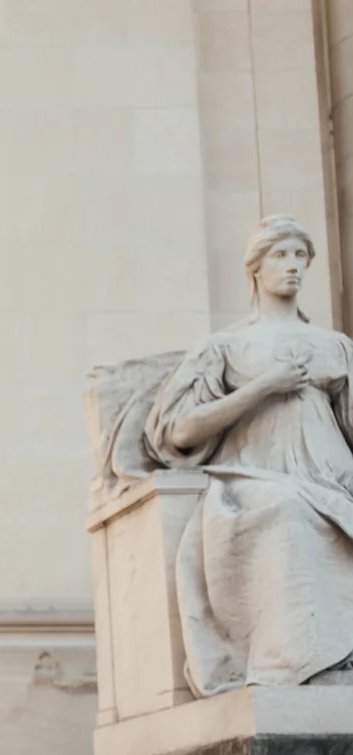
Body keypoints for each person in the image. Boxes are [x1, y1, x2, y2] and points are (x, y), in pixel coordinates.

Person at [143, 214, 353, 692]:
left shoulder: (335, 346)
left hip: (334, 474)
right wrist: (262, 388)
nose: (293, 266)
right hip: (255, 477)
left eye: (301, 255)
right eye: (281, 254)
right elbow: (178, 431)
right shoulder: (226, 347)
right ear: (254, 268)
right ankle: (307, 660)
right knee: (288, 510)